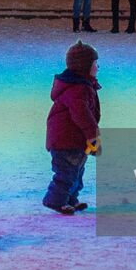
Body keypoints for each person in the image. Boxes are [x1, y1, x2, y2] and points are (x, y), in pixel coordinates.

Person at [43, 40, 100, 215]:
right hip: (65, 140)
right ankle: (55, 200)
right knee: (66, 174)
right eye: (94, 64)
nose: (97, 68)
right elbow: (82, 116)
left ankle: (70, 199)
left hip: (76, 139)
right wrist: (93, 135)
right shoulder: (78, 89)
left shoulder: (83, 86)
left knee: (76, 173)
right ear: (84, 67)